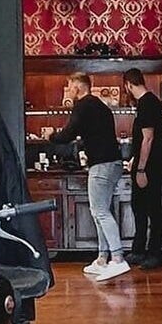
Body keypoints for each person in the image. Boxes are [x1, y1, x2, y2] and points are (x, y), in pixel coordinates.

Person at [51, 73, 129, 280]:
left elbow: (68, 133)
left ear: (78, 86)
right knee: (101, 211)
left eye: (70, 86)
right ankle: (103, 258)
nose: (69, 90)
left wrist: (51, 137)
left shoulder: (83, 105)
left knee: (100, 211)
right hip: (114, 163)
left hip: (101, 164)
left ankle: (118, 258)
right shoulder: (100, 106)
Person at [123, 68, 162, 269]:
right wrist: (135, 161)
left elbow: (148, 139)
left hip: (150, 166)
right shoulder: (147, 103)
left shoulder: (147, 104)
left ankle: (154, 252)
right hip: (145, 164)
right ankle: (139, 249)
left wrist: (141, 169)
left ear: (128, 84)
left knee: (151, 209)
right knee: (139, 207)